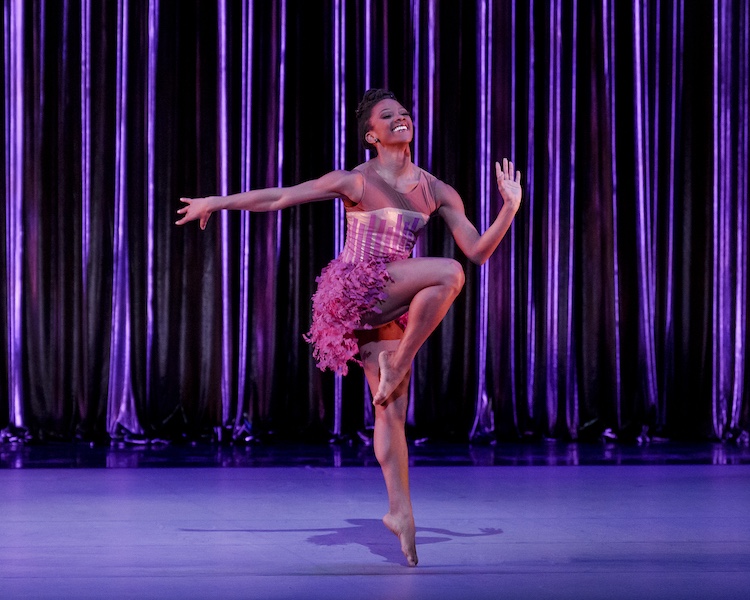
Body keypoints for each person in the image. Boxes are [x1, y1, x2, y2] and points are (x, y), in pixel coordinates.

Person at [176, 89, 522, 567]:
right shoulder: (355, 180)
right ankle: (401, 362)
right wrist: (218, 201)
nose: (400, 118)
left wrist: (508, 208)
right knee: (448, 273)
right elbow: (281, 197)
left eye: (403, 113)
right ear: (371, 136)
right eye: (388, 116)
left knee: (392, 412)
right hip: (355, 291)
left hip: (391, 301)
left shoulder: (438, 190)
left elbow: (479, 249)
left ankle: (400, 512)